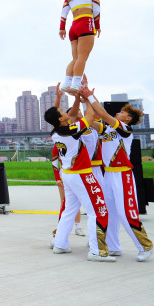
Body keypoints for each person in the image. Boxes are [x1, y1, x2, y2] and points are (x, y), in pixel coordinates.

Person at [80, 85, 153, 262]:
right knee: (108, 212)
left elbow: (103, 114)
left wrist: (90, 96)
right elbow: (89, 120)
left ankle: (145, 246)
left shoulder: (125, 129)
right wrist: (85, 100)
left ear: (128, 118)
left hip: (123, 175)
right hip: (108, 175)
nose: (117, 113)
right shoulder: (107, 129)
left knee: (126, 213)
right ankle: (113, 247)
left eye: (121, 112)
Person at [44, 97, 114, 262]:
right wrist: (88, 99)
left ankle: (60, 244)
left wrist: (76, 98)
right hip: (81, 174)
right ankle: (96, 251)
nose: (66, 112)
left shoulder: (56, 132)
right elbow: (90, 117)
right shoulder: (71, 130)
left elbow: (72, 114)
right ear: (61, 119)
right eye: (62, 111)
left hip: (69, 175)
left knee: (69, 211)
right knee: (96, 211)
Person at [59, 0, 101, 92]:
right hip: (85, 23)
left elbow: (64, 13)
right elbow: (96, 10)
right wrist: (97, 26)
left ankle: (67, 82)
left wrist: (62, 28)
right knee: (83, 57)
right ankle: (76, 84)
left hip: (73, 27)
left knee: (76, 58)